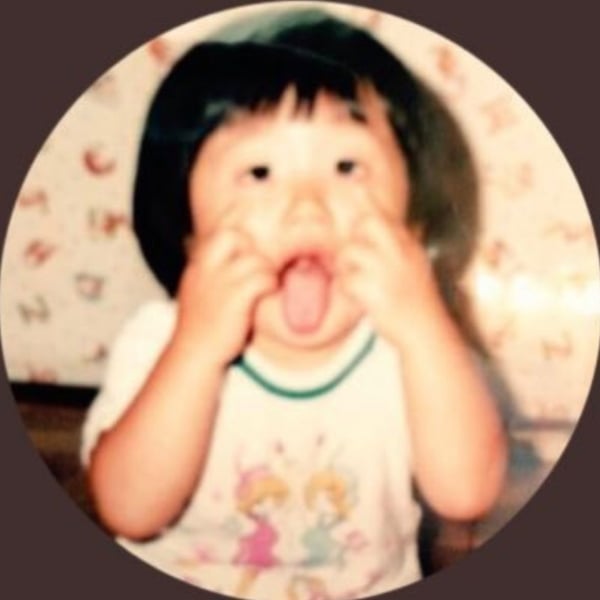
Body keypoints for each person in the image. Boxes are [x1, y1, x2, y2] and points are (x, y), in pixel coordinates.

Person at [81, 7, 507, 599]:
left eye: (347, 166)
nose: (307, 205)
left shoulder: (415, 348)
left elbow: (467, 495)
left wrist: (421, 327)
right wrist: (196, 350)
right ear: (186, 227)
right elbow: (128, 510)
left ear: (412, 213)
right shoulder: (161, 341)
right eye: (259, 172)